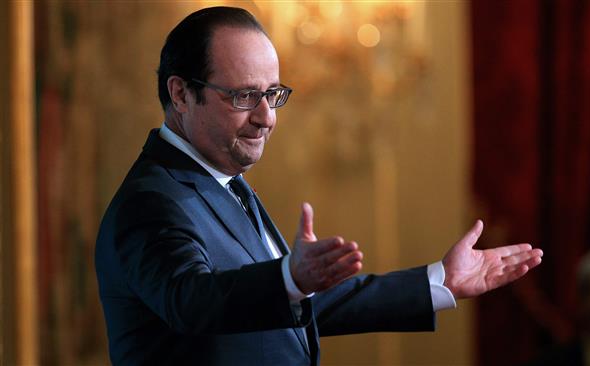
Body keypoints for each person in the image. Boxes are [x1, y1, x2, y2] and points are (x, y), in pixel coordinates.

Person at [95, 6, 543, 365]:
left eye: (273, 94)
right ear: (180, 94)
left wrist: (440, 281)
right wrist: (289, 277)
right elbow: (192, 303)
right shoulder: (152, 200)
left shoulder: (222, 182)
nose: (267, 117)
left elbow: (293, 305)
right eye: (243, 95)